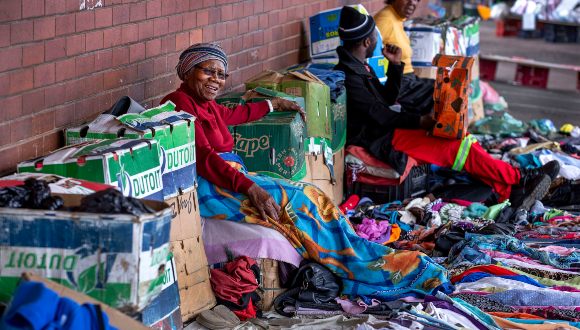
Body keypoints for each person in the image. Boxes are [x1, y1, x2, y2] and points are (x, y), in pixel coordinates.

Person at [162, 42, 450, 300]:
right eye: (208, 71)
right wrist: (250, 187)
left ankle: (359, 252)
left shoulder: (206, 104)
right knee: (301, 202)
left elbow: (234, 113)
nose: (216, 80)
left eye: (221, 74)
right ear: (187, 71)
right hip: (214, 186)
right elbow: (204, 159)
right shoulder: (177, 104)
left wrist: (274, 104)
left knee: (312, 194)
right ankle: (355, 265)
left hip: (230, 177)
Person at [335, 6, 559, 212]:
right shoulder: (349, 75)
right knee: (455, 145)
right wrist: (420, 121)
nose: (378, 38)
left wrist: (395, 65)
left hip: (385, 132)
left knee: (462, 138)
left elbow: (387, 98)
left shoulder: (359, 68)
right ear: (366, 42)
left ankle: (510, 190)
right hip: (378, 139)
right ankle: (520, 178)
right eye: (375, 34)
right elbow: (381, 115)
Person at [374, 0, 435, 115]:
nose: (413, 3)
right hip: (398, 83)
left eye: (417, 0)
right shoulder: (385, 20)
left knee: (443, 85)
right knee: (442, 93)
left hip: (408, 79)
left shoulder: (397, 18)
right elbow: (369, 54)